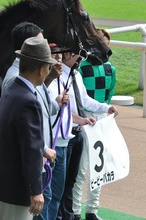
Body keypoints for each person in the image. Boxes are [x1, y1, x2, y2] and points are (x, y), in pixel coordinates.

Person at [0, 37, 58, 220]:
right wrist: (35, 191)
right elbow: (30, 149)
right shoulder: (28, 100)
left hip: (3, 185)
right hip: (17, 190)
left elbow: (19, 137)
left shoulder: (11, 89)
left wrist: (42, 150)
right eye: (49, 67)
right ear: (42, 69)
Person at [56, 51, 118, 220]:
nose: (81, 58)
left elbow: (85, 100)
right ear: (68, 54)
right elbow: (61, 108)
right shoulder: (57, 76)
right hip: (64, 135)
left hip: (77, 135)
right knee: (61, 184)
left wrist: (106, 108)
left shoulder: (76, 74)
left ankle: (71, 215)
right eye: (78, 54)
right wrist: (81, 120)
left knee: (70, 180)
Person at [72, 30, 117, 220]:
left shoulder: (111, 69)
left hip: (102, 121)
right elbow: (82, 98)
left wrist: (106, 110)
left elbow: (109, 93)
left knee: (99, 169)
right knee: (81, 170)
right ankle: (75, 211)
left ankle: (92, 210)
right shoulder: (81, 69)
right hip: (85, 120)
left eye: (105, 44)